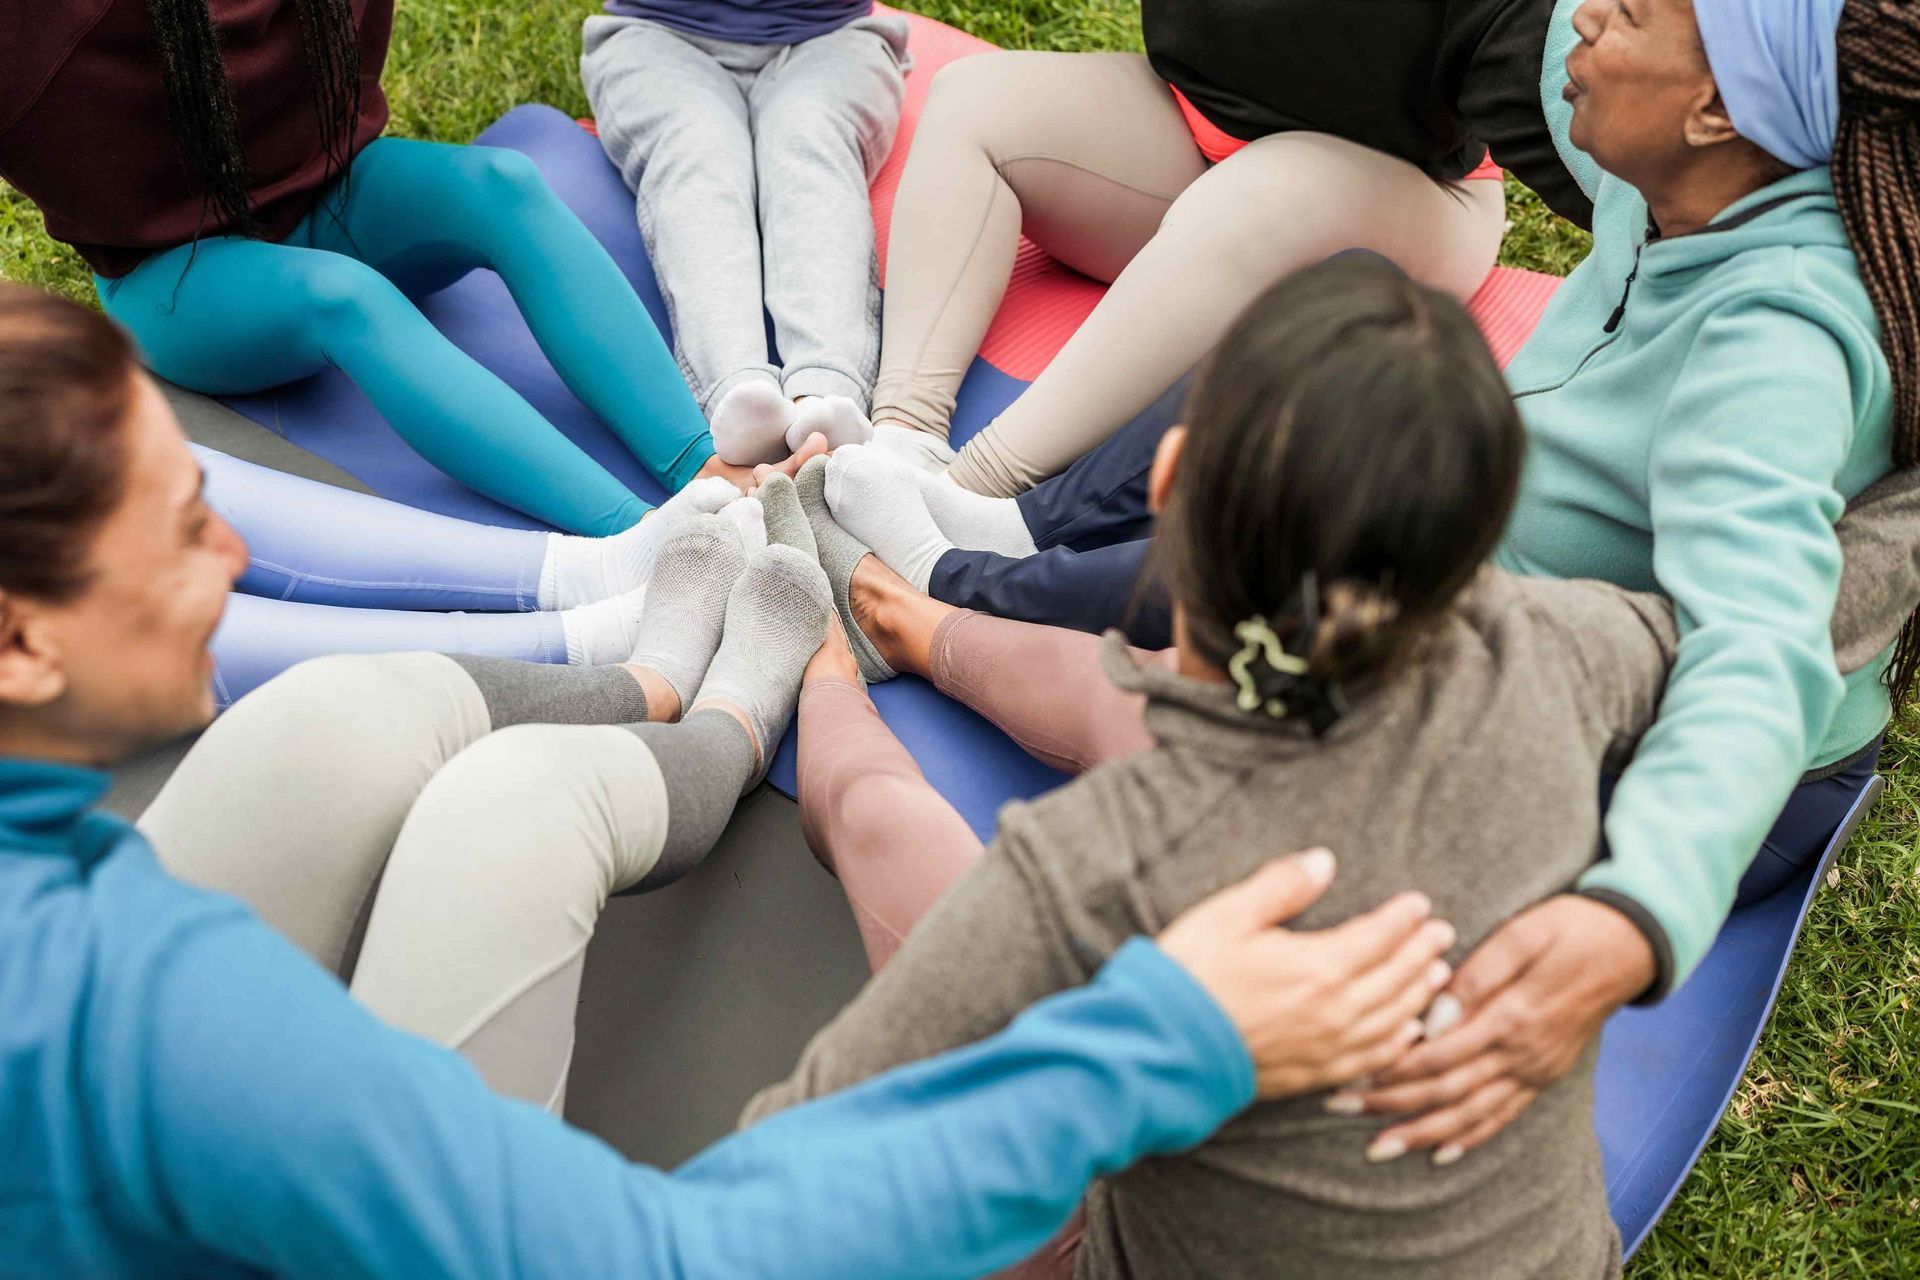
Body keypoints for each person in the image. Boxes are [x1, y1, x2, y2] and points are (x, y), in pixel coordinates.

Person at [0, 281, 1457, 1277]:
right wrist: (1168, 1038)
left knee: (327, 720)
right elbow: (677, 1256)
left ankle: (656, 678)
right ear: (20, 641)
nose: (237, 555)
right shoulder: (144, 1011)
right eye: (190, 526)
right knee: (512, 813)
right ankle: (750, 709)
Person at [813, 0, 1920, 1160]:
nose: (1586, 14)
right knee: (1345, 328)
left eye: (1631, 9)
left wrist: (1637, 910)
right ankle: (1006, 528)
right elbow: (1531, 36)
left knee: (1250, 617)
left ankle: (957, 582)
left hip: (1654, 748)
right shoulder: (1680, 167)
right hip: (1489, 571)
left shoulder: (1775, 334)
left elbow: (1757, 648)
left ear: (1715, 107)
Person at [759, 255, 1666, 1278]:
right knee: (1154, 694)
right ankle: (911, 616)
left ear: (1168, 477)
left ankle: (817, 667)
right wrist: (1648, 907)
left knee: (888, 819)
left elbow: (781, 1179)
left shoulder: (1091, 868)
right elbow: (1811, 606)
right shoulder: (1558, 649)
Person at [0, 0, 789, 537]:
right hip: (177, 271)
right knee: (347, 299)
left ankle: (703, 464)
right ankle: (646, 538)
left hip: (333, 191)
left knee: (501, 185)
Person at [861, 0, 1511, 495]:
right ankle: (894, 441)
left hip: (1415, 193)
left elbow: (1573, 89)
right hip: (1194, 131)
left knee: (1265, 191)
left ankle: (961, 494)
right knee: (976, 98)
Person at [581, 0, 909, 462]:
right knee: (698, 154)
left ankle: (826, 394)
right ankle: (739, 394)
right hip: (659, 39)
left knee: (806, 146)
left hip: (831, 40)